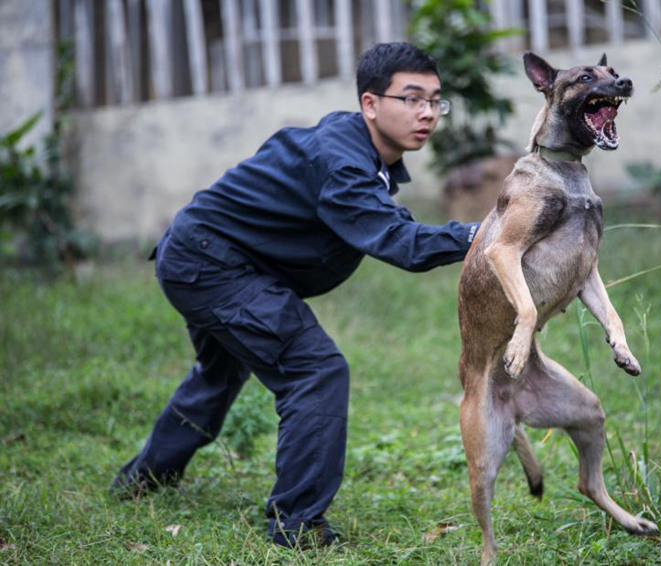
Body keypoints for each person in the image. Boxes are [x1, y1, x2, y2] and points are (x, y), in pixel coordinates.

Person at [111, 42, 479, 547]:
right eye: (412, 99)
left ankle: (143, 479)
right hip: (211, 263)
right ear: (370, 103)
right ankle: (297, 527)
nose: (428, 113)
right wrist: (488, 233)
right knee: (315, 369)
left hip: (204, 254)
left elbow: (387, 225)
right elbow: (402, 243)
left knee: (220, 373)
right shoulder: (343, 162)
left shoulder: (358, 149)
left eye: (436, 101)